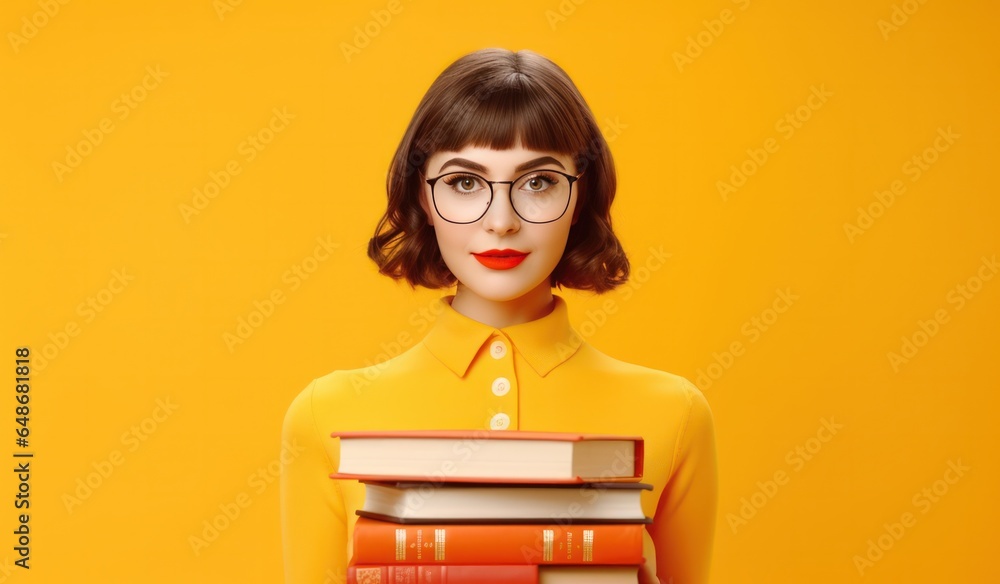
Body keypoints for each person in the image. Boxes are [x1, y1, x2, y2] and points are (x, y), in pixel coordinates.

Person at [281, 48, 717, 584]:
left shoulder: (675, 414)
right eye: (465, 182)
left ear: (578, 195)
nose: (501, 221)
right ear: (422, 194)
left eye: (538, 182)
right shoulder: (326, 416)